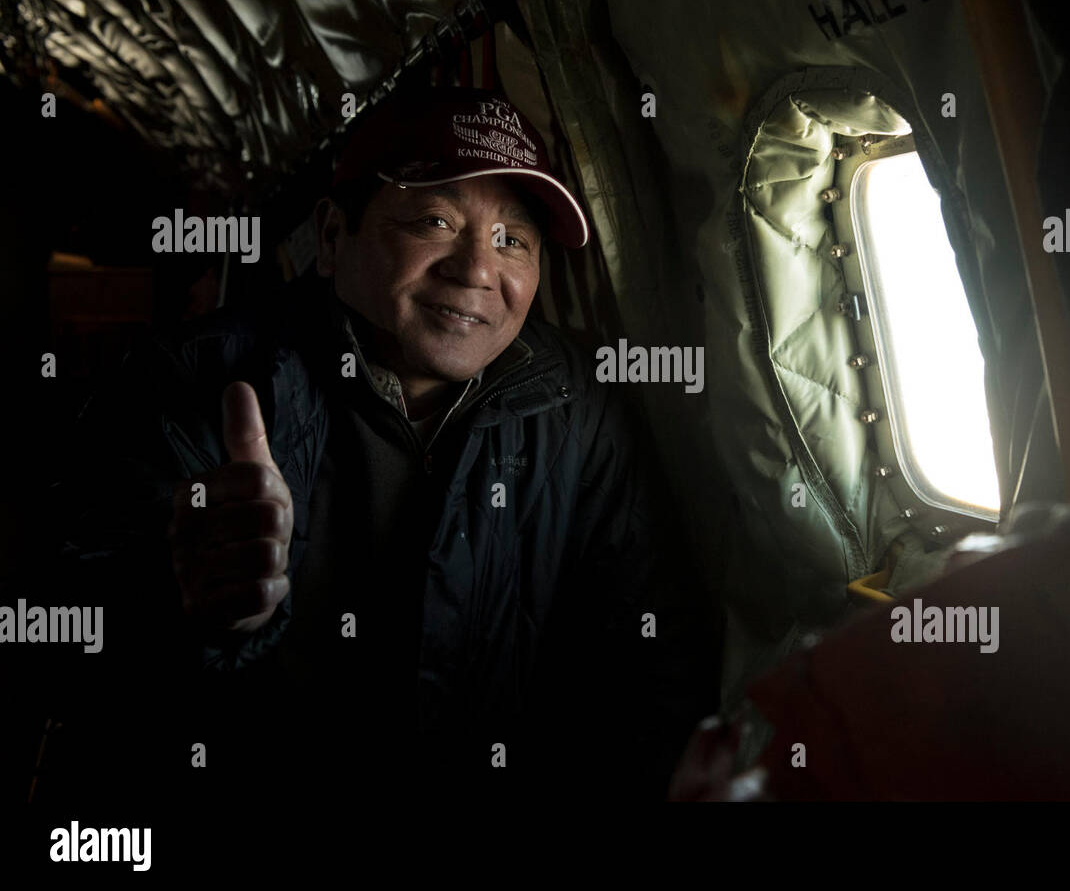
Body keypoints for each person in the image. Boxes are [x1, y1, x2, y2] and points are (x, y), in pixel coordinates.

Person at [47, 85, 717, 813]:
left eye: (513, 240)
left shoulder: (578, 410)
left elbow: (652, 655)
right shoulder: (196, 383)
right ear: (333, 238)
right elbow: (73, 646)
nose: (476, 269)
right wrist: (197, 612)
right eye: (434, 219)